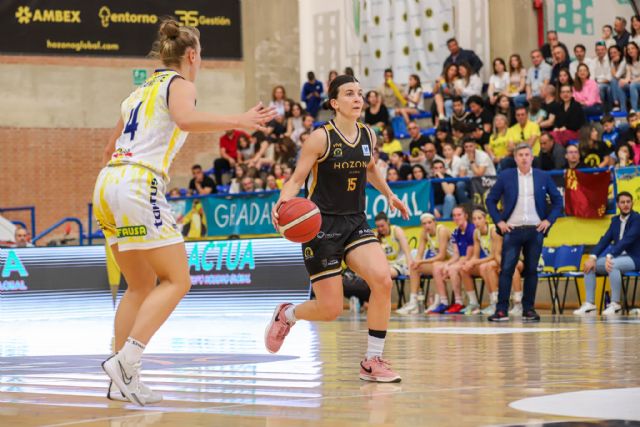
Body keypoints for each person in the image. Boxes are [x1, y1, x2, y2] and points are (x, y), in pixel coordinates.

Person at [93, 19, 275, 405]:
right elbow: (186, 120)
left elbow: (108, 150)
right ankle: (127, 361)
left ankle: (119, 378)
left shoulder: (137, 93)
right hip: (139, 182)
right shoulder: (181, 85)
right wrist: (238, 121)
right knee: (178, 279)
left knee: (140, 285)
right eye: (202, 55)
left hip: (107, 183)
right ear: (192, 55)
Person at [266, 75, 409, 383]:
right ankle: (287, 314)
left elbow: (369, 168)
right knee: (331, 309)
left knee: (382, 280)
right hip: (321, 225)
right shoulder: (320, 138)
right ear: (334, 103)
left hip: (355, 220)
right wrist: (281, 203)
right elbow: (296, 179)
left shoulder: (368, 134)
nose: (358, 98)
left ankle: (372, 360)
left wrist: (389, 193)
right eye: (349, 94)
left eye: (359, 93)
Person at [485, 143, 563, 322]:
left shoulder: (543, 176)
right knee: (506, 269)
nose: (524, 158)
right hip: (512, 230)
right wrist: (499, 221)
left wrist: (548, 221)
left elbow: (558, 202)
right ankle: (502, 310)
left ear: (532, 157)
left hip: (535, 230)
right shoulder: (506, 176)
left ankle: (528, 309)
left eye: (527, 154)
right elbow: (491, 200)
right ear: (515, 158)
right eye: (520, 155)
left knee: (531, 271)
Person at [575, 192, 640, 316]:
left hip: (634, 258)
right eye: (622, 202)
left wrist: (610, 255)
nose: (626, 205)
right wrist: (592, 257)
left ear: (632, 203)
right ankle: (590, 305)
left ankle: (616, 304)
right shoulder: (615, 220)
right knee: (590, 265)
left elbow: (627, 240)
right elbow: (605, 239)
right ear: (618, 205)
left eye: (628, 202)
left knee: (612, 264)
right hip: (617, 257)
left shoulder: (637, 219)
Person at [398, 213, 451, 315]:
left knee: (436, 265)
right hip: (441, 263)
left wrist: (421, 261)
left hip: (453, 261)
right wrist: (415, 263)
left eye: (429, 222)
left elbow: (442, 256)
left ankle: (439, 301)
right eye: (424, 224)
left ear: (435, 222)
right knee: (414, 267)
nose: (427, 226)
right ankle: (414, 303)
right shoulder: (424, 233)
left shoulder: (442, 230)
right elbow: (419, 255)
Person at [429, 206, 475, 314]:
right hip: (462, 259)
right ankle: (443, 302)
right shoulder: (455, 232)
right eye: (454, 215)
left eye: (459, 215)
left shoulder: (472, 230)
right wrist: (446, 264)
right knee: (437, 267)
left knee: (453, 269)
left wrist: (450, 266)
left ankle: (458, 302)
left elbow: (468, 256)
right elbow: (456, 255)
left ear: (466, 216)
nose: (456, 217)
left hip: (472, 260)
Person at [375, 212, 413, 279]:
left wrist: (410, 269)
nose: (380, 229)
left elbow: (407, 252)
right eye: (378, 227)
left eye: (382, 226)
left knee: (384, 274)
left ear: (388, 222)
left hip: (400, 263)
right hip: (387, 265)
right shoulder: (377, 236)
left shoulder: (396, 230)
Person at [593, 41, 612, 111]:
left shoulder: (610, 60)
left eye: (602, 49)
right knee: (598, 87)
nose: (600, 52)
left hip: (609, 84)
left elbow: (609, 78)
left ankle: (609, 110)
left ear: (606, 50)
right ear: (595, 51)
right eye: (598, 50)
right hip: (598, 84)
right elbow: (592, 76)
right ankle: (601, 111)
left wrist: (598, 81)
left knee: (601, 87)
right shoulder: (593, 61)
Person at [621, 42, 640, 112]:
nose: (630, 50)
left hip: (636, 83)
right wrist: (624, 81)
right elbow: (628, 76)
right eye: (628, 49)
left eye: (632, 48)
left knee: (632, 85)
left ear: (637, 49)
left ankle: (634, 109)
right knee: (620, 84)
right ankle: (623, 109)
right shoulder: (628, 62)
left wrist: (632, 81)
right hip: (634, 83)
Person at [608, 45, 628, 112]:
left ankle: (617, 104)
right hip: (618, 81)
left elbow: (616, 75)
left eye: (614, 52)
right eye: (611, 53)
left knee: (616, 82)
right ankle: (612, 109)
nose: (612, 55)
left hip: (627, 80)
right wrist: (613, 63)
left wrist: (613, 64)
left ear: (619, 52)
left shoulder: (624, 61)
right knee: (609, 88)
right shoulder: (612, 61)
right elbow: (613, 77)